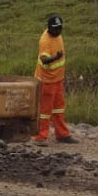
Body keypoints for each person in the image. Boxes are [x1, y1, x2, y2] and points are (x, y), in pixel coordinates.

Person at [33, 14, 78, 144]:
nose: (58, 31)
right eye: (55, 28)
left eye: (60, 28)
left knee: (59, 108)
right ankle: (41, 136)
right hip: (46, 80)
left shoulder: (58, 36)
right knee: (45, 111)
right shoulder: (45, 41)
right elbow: (44, 60)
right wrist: (56, 58)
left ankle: (62, 134)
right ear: (49, 28)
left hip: (58, 79)